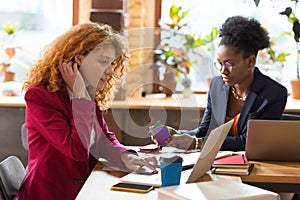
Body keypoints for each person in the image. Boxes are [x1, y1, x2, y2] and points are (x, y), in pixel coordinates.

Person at [17, 22, 157, 200]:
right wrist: (80, 97)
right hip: (51, 194)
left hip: (84, 189)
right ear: (76, 60)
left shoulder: (87, 93)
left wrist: (126, 156)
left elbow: (103, 140)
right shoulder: (40, 97)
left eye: (112, 63)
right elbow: (77, 151)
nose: (111, 71)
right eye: (104, 61)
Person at [162, 16, 288, 151]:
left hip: (253, 166)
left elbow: (249, 142)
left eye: (230, 64)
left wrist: (198, 143)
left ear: (250, 61)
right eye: (220, 63)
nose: (223, 71)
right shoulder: (217, 85)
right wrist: (179, 135)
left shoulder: (273, 94)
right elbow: (204, 131)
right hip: (217, 165)